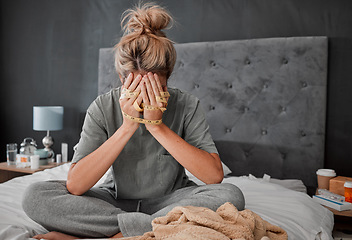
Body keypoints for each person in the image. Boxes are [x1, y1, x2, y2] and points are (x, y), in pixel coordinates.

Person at [22, 3, 245, 239]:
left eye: (153, 88)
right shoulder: (102, 107)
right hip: (113, 201)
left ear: (167, 78)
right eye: (137, 88)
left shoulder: (187, 105)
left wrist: (156, 127)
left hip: (171, 200)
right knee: (35, 195)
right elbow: (76, 185)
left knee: (230, 195)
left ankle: (114, 235)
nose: (145, 96)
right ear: (121, 78)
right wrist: (128, 125)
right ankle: (151, 229)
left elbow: (213, 177)